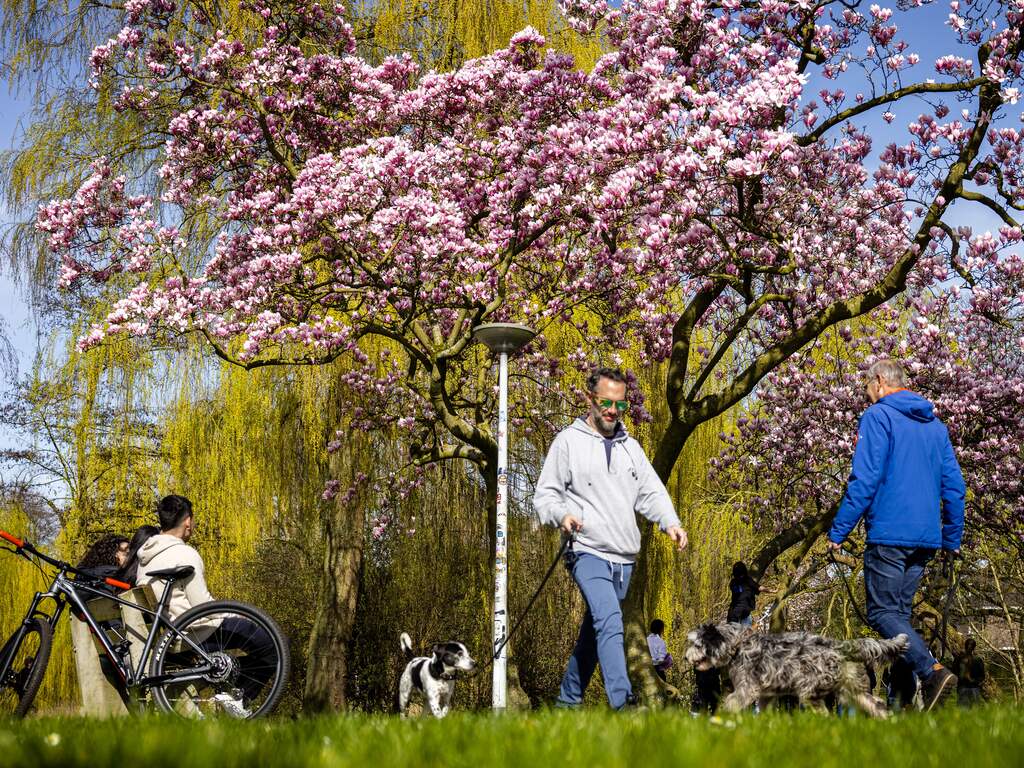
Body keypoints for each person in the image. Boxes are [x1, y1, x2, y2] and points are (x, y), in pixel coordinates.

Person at [534, 367, 688, 710]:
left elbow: (651, 492)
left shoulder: (631, 448)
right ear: (589, 398)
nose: (612, 410)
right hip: (585, 550)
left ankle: (566, 704)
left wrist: (670, 522)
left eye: (620, 404)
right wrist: (562, 515)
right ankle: (624, 702)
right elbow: (545, 495)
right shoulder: (568, 442)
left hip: (623, 560)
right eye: (606, 402)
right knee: (610, 621)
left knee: (594, 633)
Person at [828, 359, 966, 711]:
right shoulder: (936, 427)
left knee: (881, 613)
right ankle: (903, 704)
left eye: (866, 388)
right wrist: (951, 539)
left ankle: (932, 672)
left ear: (879, 381)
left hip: (889, 534)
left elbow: (865, 479)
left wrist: (839, 531)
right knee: (900, 619)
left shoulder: (878, 417)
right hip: (926, 539)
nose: (867, 395)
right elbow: (954, 487)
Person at [137, 495, 277, 715]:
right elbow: (203, 607)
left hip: (169, 637)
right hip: (195, 634)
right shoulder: (184, 553)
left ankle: (231, 688)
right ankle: (238, 697)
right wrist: (237, 616)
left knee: (258, 639)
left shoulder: (144, 559)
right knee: (274, 644)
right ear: (187, 521)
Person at [953, 638, 985, 707]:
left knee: (964, 710)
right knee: (972, 710)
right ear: (974, 647)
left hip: (967, 688)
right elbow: (982, 676)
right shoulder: (977, 660)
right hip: (969, 688)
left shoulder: (959, 659)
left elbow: (954, 671)